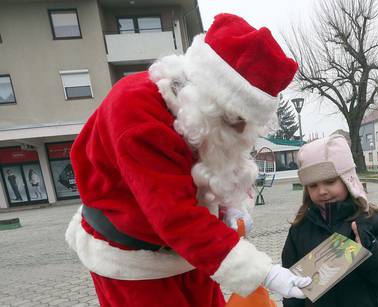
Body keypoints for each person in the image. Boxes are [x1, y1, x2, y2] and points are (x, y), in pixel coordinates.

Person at [65, 13, 311, 307]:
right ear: (212, 97)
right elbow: (175, 215)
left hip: (189, 254)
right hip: (131, 261)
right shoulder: (136, 112)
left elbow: (210, 170)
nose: (241, 133)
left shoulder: (200, 117)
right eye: (237, 120)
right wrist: (264, 272)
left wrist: (225, 210)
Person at [282, 134, 378, 307]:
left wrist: (371, 248)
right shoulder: (300, 229)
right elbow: (292, 282)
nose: (322, 191)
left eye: (330, 181)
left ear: (347, 179)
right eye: (313, 185)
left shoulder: (374, 219)